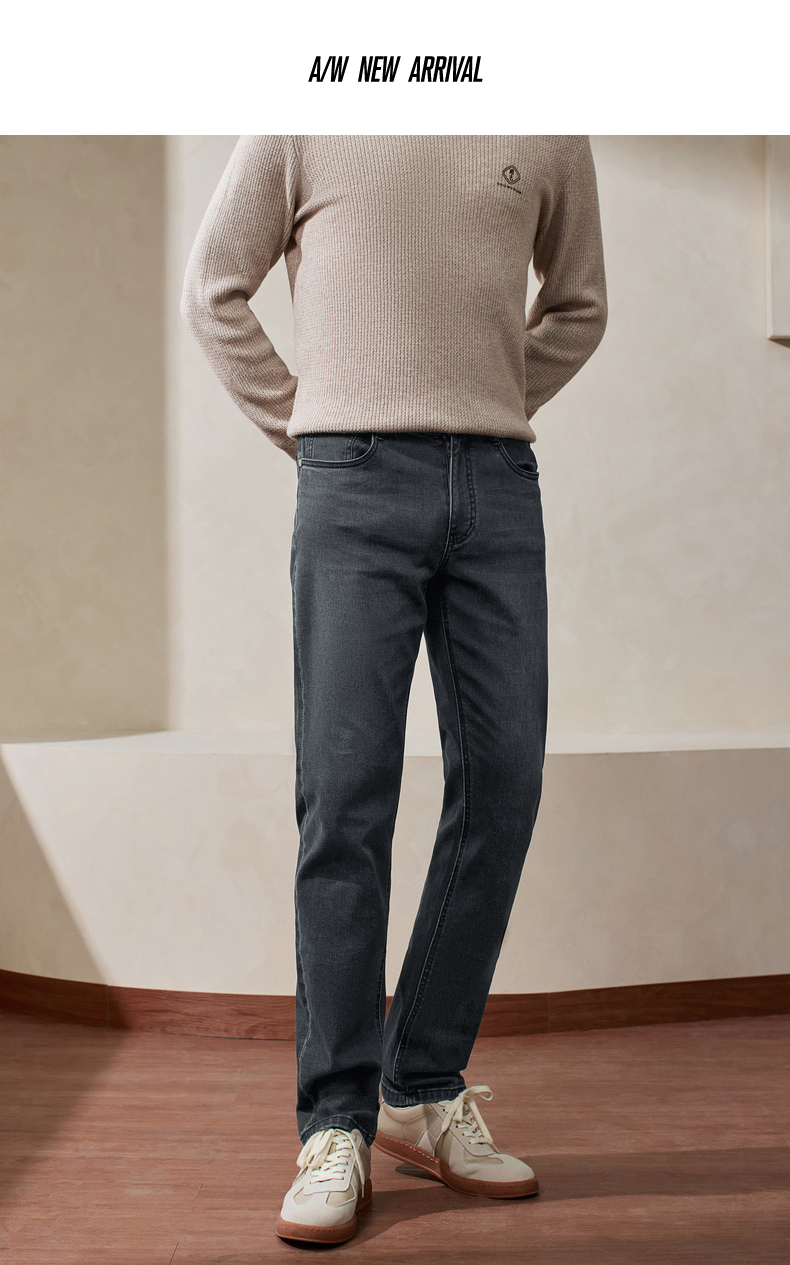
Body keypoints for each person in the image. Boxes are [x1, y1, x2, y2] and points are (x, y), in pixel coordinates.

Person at [180, 133, 608, 1246]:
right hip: (353, 481)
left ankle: (419, 1083)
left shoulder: (547, 124)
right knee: (346, 799)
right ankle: (335, 1120)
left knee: (504, 781)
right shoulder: (305, 108)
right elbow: (214, 286)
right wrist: (314, 422)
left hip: (497, 483)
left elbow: (578, 305)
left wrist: (479, 395)